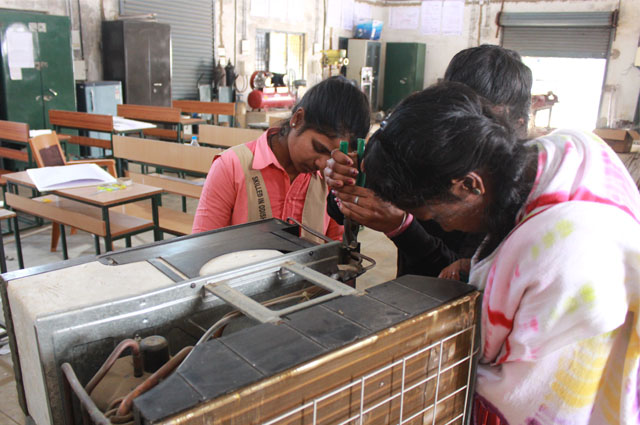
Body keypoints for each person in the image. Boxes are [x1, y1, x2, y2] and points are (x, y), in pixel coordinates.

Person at [363, 81, 640, 424]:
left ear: (469, 184)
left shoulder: (568, 252)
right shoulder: (564, 157)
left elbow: (519, 394)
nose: (442, 226)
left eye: (434, 215)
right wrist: (481, 268)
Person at [324, 45, 532, 279]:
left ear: (517, 124)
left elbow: (469, 280)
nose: (462, 137)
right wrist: (347, 183)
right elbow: (342, 211)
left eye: (480, 122)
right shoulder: (431, 143)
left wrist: (403, 228)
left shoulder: (521, 201)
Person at [192, 76, 370, 242]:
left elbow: (336, 246)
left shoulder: (330, 178)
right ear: (297, 119)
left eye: (332, 156)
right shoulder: (231, 167)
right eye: (319, 148)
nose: (322, 164)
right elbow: (204, 246)